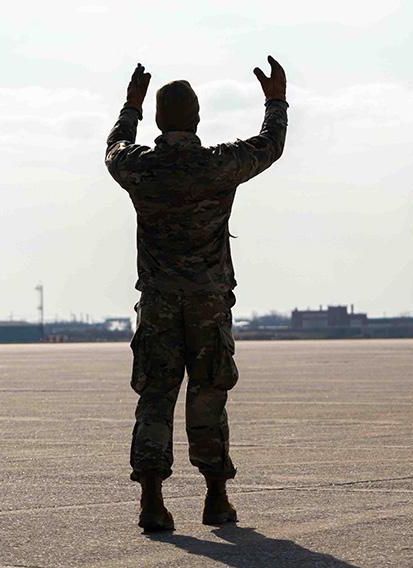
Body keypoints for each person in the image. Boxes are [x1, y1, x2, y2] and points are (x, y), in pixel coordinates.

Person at [104, 56, 288, 532]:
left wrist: (130, 108)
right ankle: (216, 497)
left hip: (160, 301)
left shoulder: (139, 167)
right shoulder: (218, 165)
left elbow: (114, 147)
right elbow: (270, 146)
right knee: (208, 395)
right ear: (198, 119)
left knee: (156, 396)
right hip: (207, 303)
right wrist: (275, 101)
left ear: (160, 121)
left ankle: (151, 502)